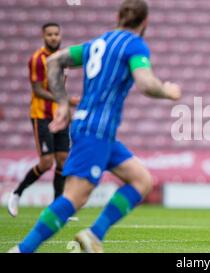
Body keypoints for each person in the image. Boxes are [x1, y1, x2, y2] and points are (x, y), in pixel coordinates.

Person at [8, 0, 181, 253]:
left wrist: (63, 103)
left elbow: (54, 61)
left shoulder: (97, 43)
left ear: (118, 17)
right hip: (95, 131)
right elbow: (145, 83)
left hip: (100, 133)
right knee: (74, 198)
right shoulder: (134, 45)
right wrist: (167, 91)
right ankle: (23, 250)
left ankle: (94, 234)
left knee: (142, 180)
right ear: (145, 22)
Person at [7, 22, 80, 217]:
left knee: (63, 160)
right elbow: (38, 90)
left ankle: (58, 207)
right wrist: (65, 100)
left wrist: (66, 109)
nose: (54, 37)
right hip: (41, 115)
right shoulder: (38, 60)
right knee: (47, 162)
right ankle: (17, 192)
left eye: (56, 34)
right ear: (43, 36)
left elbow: (61, 88)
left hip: (60, 114)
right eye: (50, 34)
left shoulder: (63, 59)